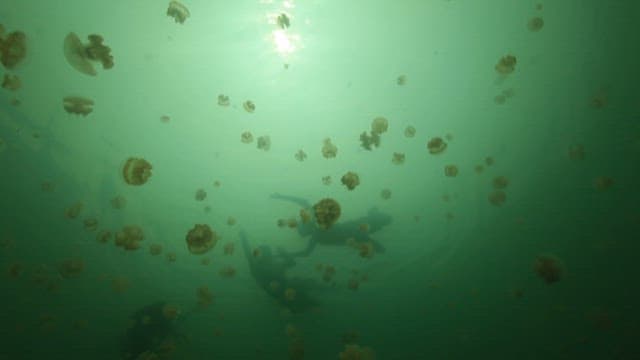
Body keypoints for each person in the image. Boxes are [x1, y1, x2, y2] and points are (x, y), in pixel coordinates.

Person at [270, 193, 392, 257]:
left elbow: (305, 253)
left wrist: (281, 196)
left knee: (376, 224)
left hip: (355, 231)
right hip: (355, 233)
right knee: (376, 225)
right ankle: (376, 217)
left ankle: (375, 216)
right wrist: (280, 196)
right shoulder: (316, 233)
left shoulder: (315, 232)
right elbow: (303, 202)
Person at [240, 229, 320, 314]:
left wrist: (284, 254)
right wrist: (243, 238)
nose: (269, 255)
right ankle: (307, 305)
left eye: (269, 253)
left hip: (285, 290)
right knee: (300, 288)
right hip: (280, 292)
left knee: (303, 285)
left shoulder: (267, 264)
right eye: (266, 253)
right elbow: (248, 253)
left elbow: (291, 263)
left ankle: (313, 300)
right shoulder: (257, 266)